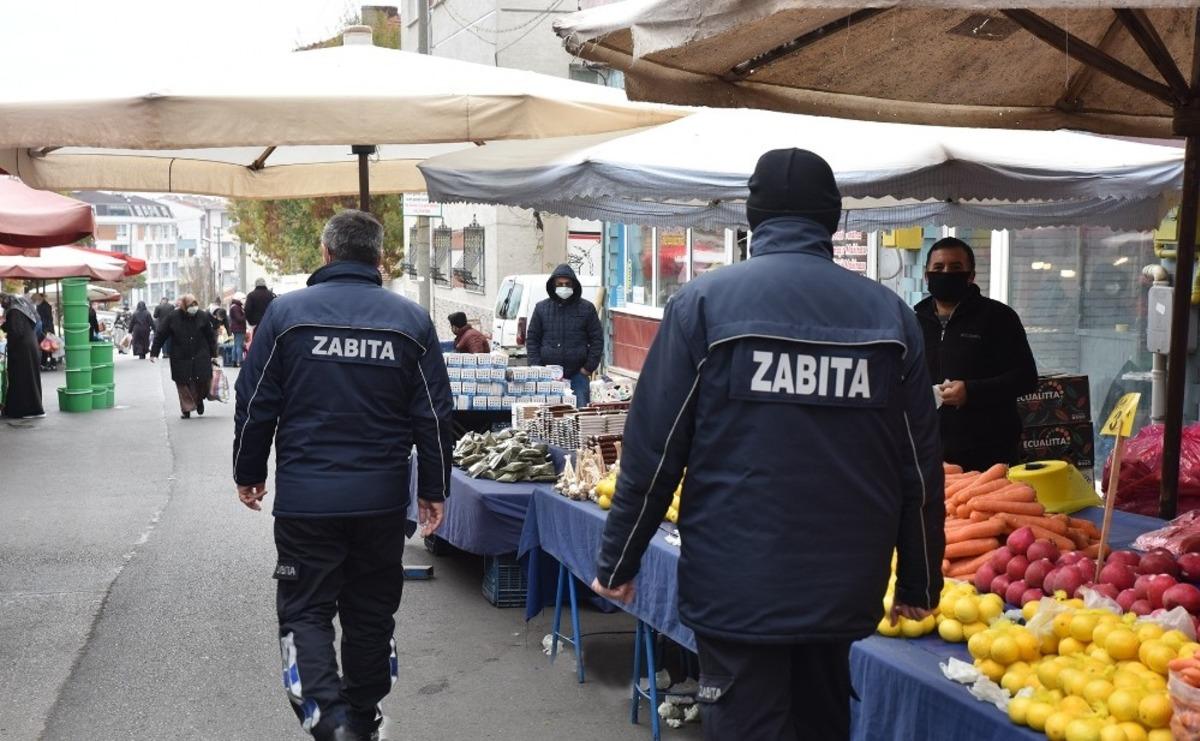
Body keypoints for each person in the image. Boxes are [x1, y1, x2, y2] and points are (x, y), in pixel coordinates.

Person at [590, 149, 945, 741]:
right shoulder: (889, 316)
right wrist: (920, 579)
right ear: (833, 221)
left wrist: (619, 560)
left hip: (737, 586)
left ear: (754, 218)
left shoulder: (703, 305)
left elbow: (654, 452)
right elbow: (918, 465)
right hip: (841, 587)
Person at [233, 210, 454, 741]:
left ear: (326, 254)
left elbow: (254, 402)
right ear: (379, 259)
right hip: (380, 502)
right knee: (371, 612)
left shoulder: (286, 316)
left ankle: (332, 723)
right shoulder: (411, 321)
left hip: (307, 503)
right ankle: (362, 716)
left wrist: (249, 471)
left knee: (306, 612)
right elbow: (434, 415)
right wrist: (433, 490)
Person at [914, 237, 1039, 472]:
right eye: (939, 268)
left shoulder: (999, 318)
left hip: (988, 453)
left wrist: (971, 391)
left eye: (956, 268)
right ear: (927, 275)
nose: (946, 273)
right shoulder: (913, 321)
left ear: (971, 275)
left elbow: (1026, 378)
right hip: (926, 449)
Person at [525, 264, 602, 406]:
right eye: (560, 284)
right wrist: (537, 366)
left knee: (580, 415)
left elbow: (597, 339)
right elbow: (532, 339)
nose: (564, 287)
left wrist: (587, 368)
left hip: (578, 374)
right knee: (548, 416)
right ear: (553, 286)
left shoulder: (586, 309)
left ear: (574, 285)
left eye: (567, 284)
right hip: (548, 376)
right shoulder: (541, 308)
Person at [150, 294, 218, 419]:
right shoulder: (173, 317)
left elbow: (210, 336)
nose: (194, 308)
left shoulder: (202, 316)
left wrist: (214, 354)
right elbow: (161, 334)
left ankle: (198, 401)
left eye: (195, 305)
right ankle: (186, 408)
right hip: (180, 355)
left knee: (201, 380)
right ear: (184, 306)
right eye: (191, 305)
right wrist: (154, 352)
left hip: (200, 353)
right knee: (183, 383)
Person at [1, 293, 45, 418]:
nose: (1, 305)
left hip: (22, 350)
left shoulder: (14, 310)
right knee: (30, 379)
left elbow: (16, 331)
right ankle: (32, 408)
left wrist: (9, 343)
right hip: (29, 347)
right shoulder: (21, 309)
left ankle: (29, 410)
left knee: (23, 380)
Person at [228, 296, 247, 368]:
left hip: (236, 328)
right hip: (239, 329)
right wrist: (245, 314)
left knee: (236, 345)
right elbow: (239, 318)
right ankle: (241, 361)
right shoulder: (236, 307)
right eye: (242, 299)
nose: (243, 301)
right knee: (239, 346)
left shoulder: (234, 306)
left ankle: (234, 361)